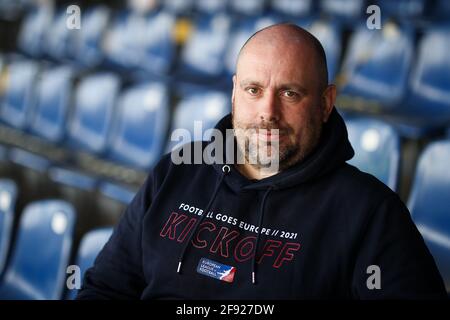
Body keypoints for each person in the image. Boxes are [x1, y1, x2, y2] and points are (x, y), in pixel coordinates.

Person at [77, 24, 446, 299]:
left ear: (325, 103)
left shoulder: (369, 212)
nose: (268, 112)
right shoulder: (175, 173)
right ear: (235, 93)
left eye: (290, 93)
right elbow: (106, 287)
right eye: (254, 90)